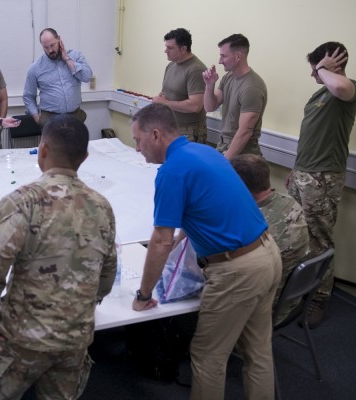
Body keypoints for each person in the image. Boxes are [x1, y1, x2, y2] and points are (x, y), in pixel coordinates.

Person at [0, 115, 117, 399]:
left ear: (42, 150)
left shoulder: (22, 202)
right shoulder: (101, 206)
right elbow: (106, 276)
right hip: (74, 337)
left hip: (21, 339)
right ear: (84, 156)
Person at [130, 103, 281, 400]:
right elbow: (200, 211)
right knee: (258, 351)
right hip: (267, 255)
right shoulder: (206, 152)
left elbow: (160, 239)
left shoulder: (172, 171)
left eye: (138, 140)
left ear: (156, 135)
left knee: (207, 356)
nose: (137, 148)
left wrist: (144, 295)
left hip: (237, 271)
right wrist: (176, 248)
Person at [287, 41, 356, 328]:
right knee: (295, 234)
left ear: (331, 65)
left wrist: (325, 69)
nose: (313, 74)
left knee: (319, 241)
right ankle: (294, 294)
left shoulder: (347, 88)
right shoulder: (320, 93)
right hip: (303, 173)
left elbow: (340, 88)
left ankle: (319, 299)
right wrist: (295, 168)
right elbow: (310, 136)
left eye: (316, 69)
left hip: (323, 179)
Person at [231, 154, 309, 325]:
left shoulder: (254, 228)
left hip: (263, 308)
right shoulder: (291, 203)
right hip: (292, 296)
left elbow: (235, 275)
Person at [203, 34, 267, 159]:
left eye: (223, 56)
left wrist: (225, 161)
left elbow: (244, 132)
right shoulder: (228, 77)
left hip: (243, 152)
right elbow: (209, 107)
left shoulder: (252, 87)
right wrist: (209, 86)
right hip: (224, 145)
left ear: (238, 56)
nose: (219, 61)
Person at [23, 28, 93, 127]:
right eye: (45, 47)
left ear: (59, 39)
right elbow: (28, 96)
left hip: (75, 116)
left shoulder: (76, 56)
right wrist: (36, 117)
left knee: (76, 143)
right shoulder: (35, 68)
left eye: (52, 45)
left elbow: (87, 77)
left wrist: (67, 60)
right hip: (50, 118)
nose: (50, 50)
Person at [152, 28, 208, 143]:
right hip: (170, 127)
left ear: (183, 49)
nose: (165, 51)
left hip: (190, 132)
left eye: (170, 48)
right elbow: (166, 94)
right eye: (166, 47)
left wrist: (166, 103)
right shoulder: (171, 66)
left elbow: (195, 106)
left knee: (187, 161)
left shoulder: (196, 69)